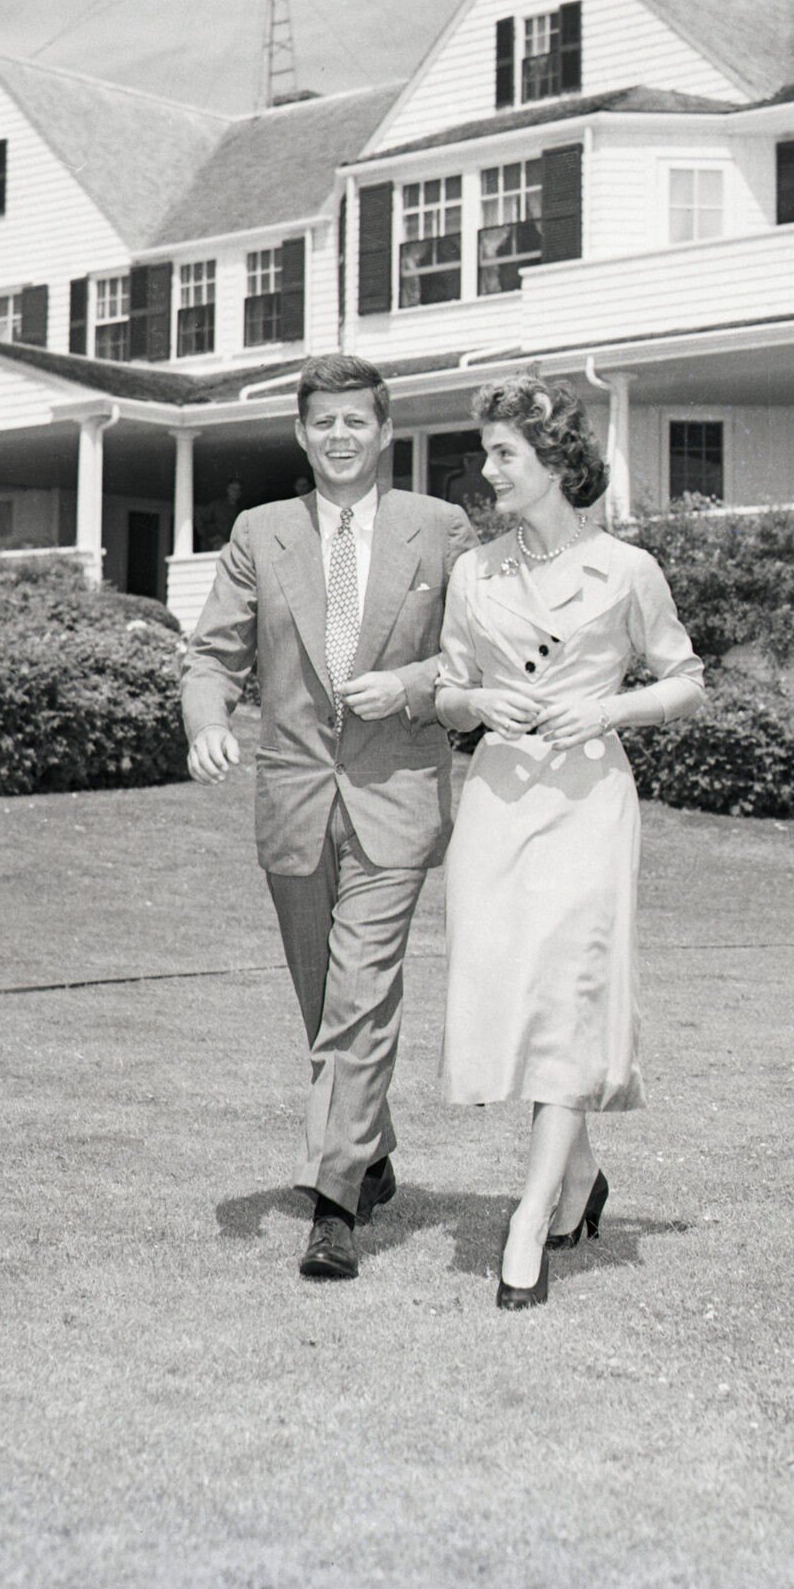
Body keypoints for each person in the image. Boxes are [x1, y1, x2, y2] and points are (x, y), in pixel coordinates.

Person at [181, 356, 477, 1282]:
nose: (341, 436)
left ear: (384, 432)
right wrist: (204, 726)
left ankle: (335, 1200)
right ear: (302, 435)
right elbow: (212, 655)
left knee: (361, 995)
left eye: (358, 421)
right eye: (324, 423)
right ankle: (371, 1149)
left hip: (398, 795)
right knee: (324, 1005)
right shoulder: (259, 533)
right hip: (295, 796)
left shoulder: (439, 528)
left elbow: (477, 657)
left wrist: (414, 683)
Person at [433, 378, 705, 1310]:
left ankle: (533, 1211)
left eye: (505, 452)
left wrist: (609, 706)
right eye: (489, 452)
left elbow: (685, 681)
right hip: (500, 801)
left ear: (554, 462)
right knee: (512, 988)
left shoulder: (629, 572)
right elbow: (447, 689)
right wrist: (474, 702)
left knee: (573, 991)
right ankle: (582, 1176)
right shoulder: (477, 573)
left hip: (590, 799)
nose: (489, 469)